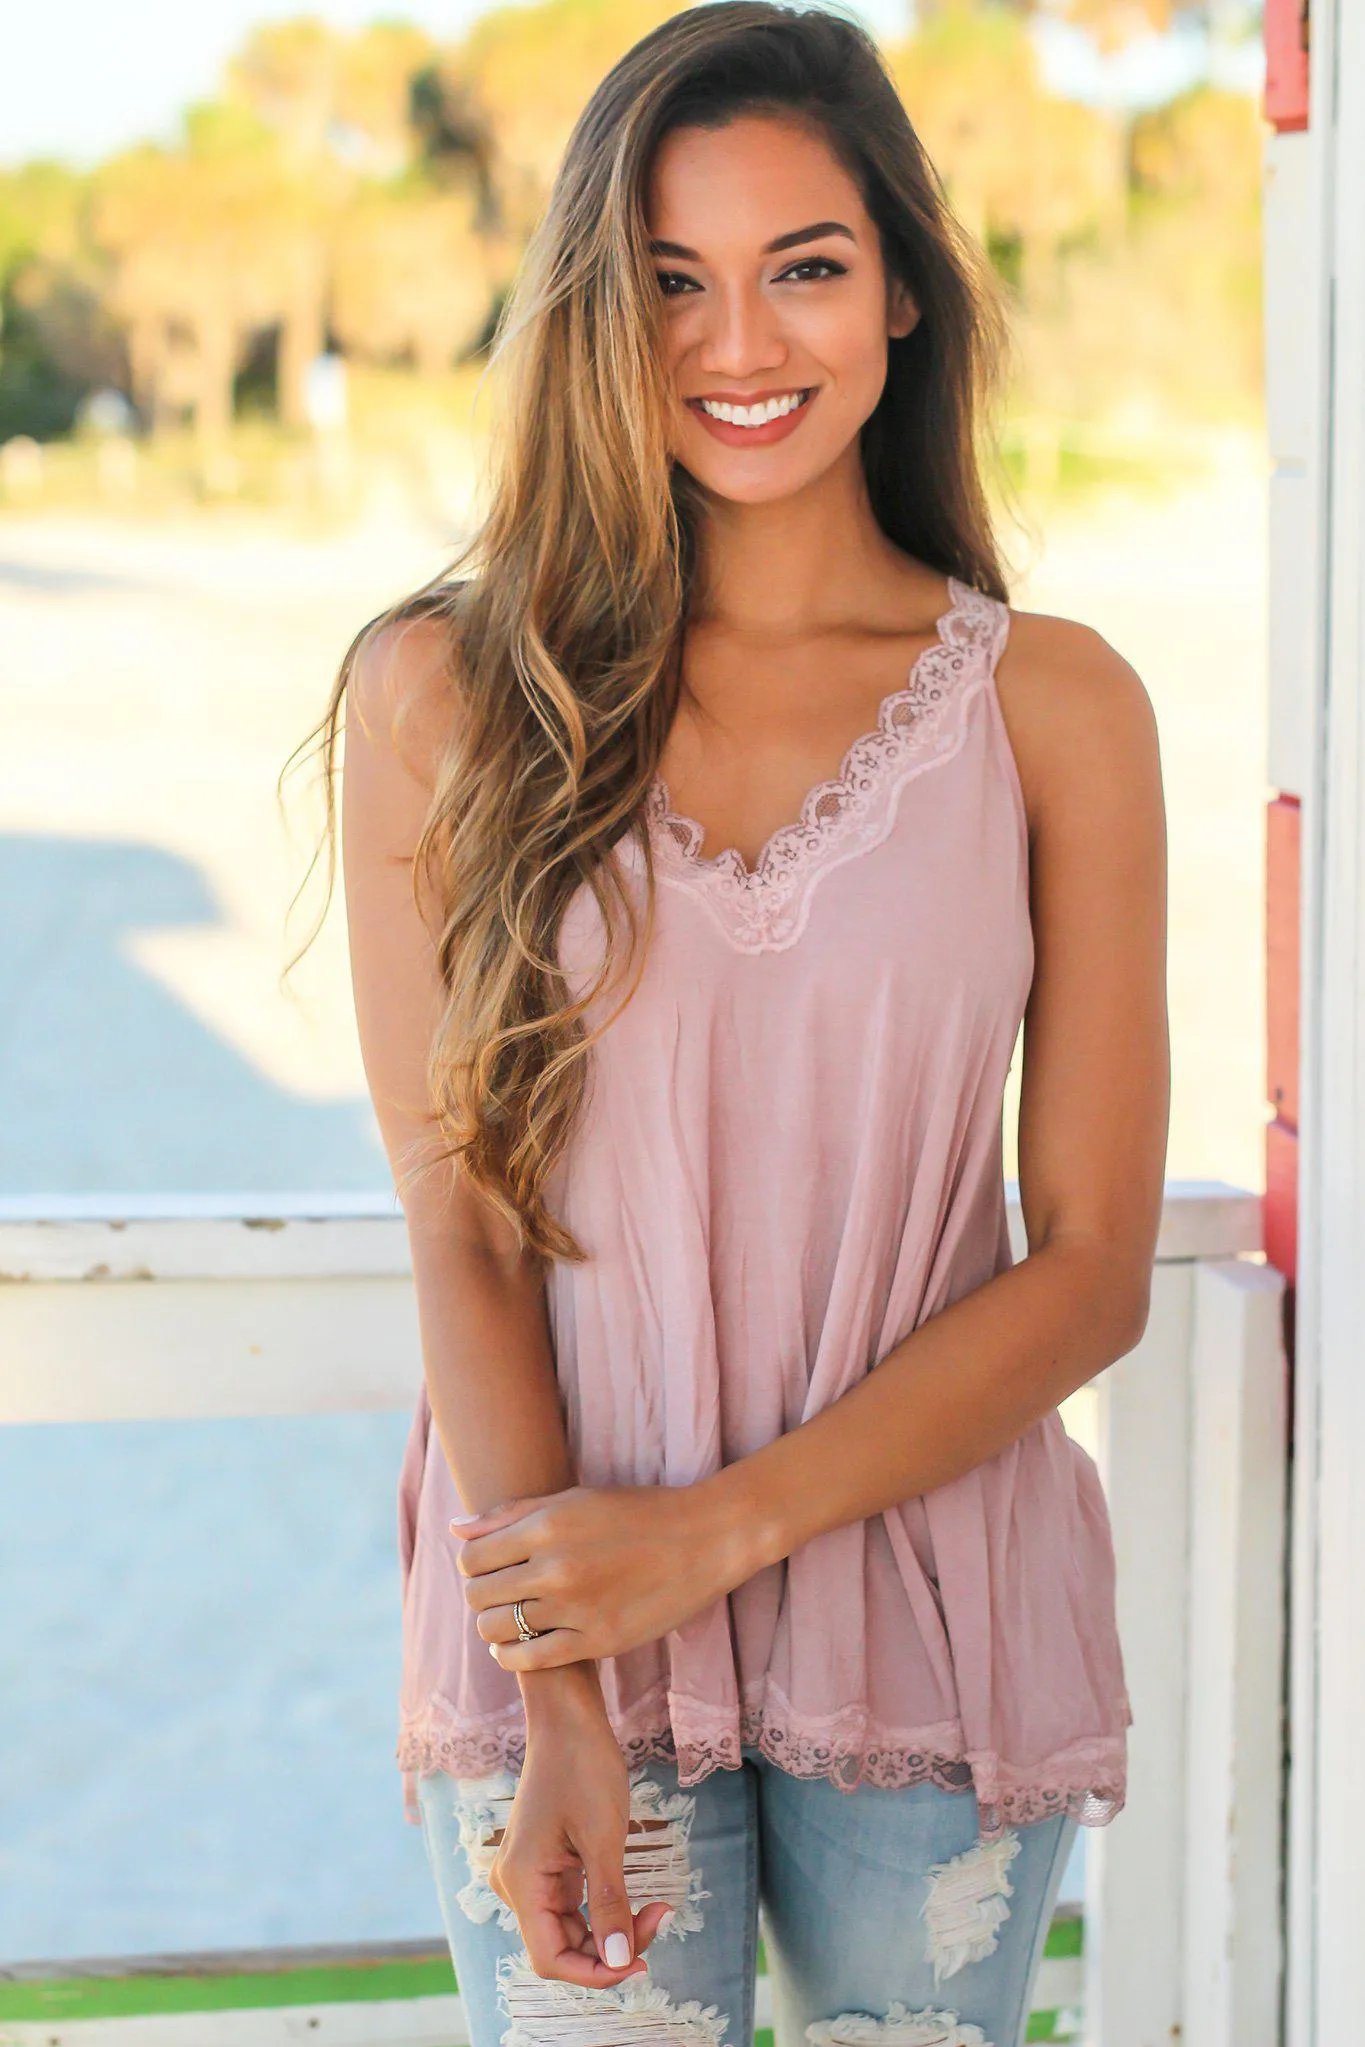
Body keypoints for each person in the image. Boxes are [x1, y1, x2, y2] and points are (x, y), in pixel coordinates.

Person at [311, 6, 1169, 2044]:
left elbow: (1095, 1269)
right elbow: (461, 1220)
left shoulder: (1053, 709)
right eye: (670, 282)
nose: (738, 344)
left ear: (896, 292)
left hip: (932, 1600)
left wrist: (710, 1537)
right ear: (596, 317)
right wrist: (562, 1689)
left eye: (802, 265)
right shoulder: (441, 695)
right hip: (562, 1605)